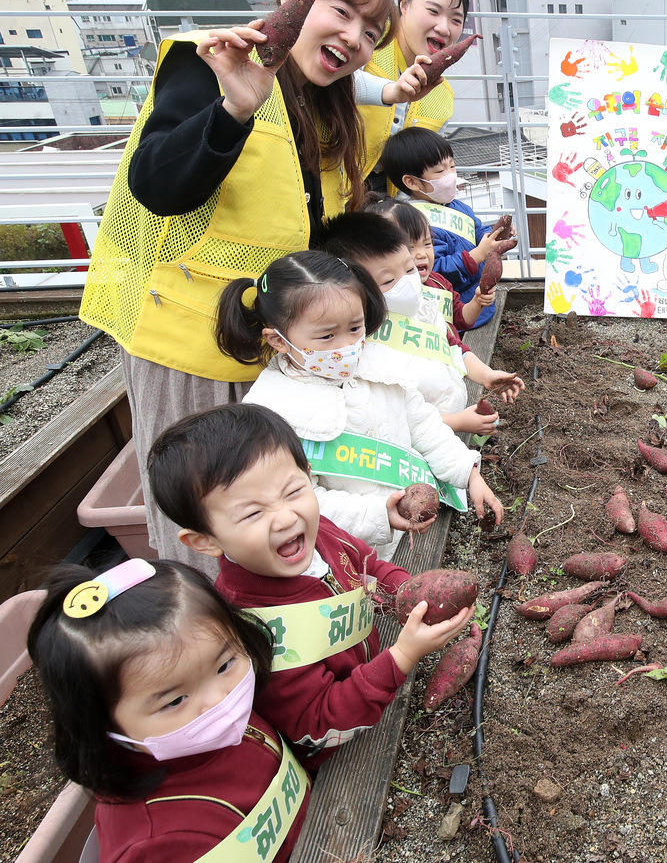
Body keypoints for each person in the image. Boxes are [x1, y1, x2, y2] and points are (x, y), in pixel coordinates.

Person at [77, 0, 402, 573]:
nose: (354, 39)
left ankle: (270, 641)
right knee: (208, 516)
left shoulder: (318, 106)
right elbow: (158, 184)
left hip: (266, 343)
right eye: (342, 12)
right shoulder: (211, 63)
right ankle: (207, 650)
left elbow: (310, 233)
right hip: (189, 345)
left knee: (265, 508)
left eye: (371, 35)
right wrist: (232, 109)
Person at [146, 403, 472, 770]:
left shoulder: (319, 532)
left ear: (309, 476)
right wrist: (403, 657)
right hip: (340, 752)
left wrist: (408, 593)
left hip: (375, 683)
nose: (286, 517)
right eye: (253, 513)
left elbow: (369, 565)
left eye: (293, 491)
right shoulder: (258, 627)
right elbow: (316, 723)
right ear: (205, 541)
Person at [214, 250, 503, 559]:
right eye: (326, 336)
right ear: (278, 340)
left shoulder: (381, 363)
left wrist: (468, 473)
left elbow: (423, 424)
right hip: (347, 557)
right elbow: (299, 501)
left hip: (411, 534)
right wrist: (378, 514)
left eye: (355, 328)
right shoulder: (270, 412)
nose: (347, 346)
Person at [27, 558, 309, 862]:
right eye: (174, 701)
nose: (218, 701)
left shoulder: (217, 717)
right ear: (98, 722)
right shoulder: (156, 845)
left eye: (225, 665)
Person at [313, 208, 523, 434]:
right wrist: (457, 422)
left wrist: (487, 376)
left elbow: (452, 347)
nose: (409, 283)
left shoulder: (426, 307)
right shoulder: (361, 347)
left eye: (409, 268)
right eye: (389, 280)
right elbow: (394, 420)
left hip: (452, 420)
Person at [381, 126, 514, 328]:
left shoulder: (457, 206)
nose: (451, 175)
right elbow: (435, 272)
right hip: (454, 314)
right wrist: (477, 255)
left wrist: (492, 236)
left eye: (452, 166)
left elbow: (476, 230)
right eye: (441, 170)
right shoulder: (413, 224)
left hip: (479, 300)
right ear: (412, 182)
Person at [359, 0, 473, 178]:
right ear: (404, 5)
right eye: (433, 11)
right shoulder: (367, 49)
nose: (443, 28)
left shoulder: (442, 96)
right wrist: (389, 91)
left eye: (456, 20)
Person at [364, 193, 491, 333]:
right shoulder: (375, 298)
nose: (422, 254)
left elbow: (461, 318)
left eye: (427, 243)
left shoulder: (439, 283)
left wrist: (478, 301)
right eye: (410, 247)